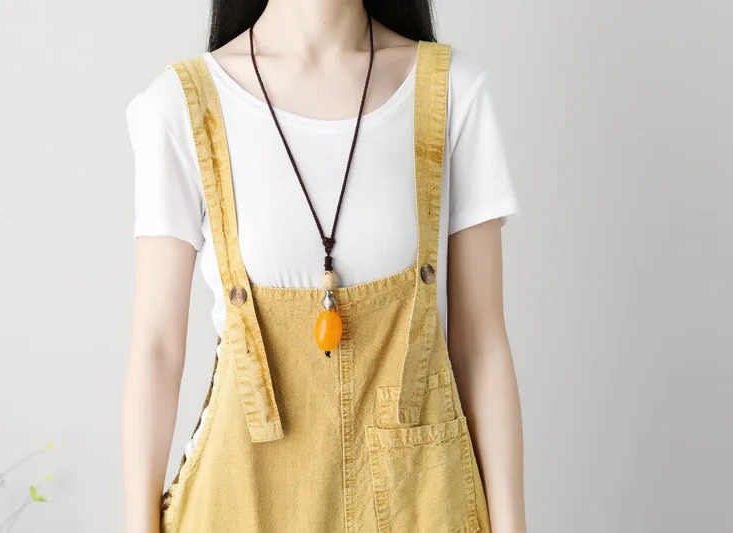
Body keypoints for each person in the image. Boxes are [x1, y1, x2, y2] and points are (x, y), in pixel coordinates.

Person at [122, 1, 525, 532]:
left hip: (422, 505)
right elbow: (156, 349)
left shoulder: (453, 91)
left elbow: (481, 345)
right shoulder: (180, 106)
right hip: (240, 504)